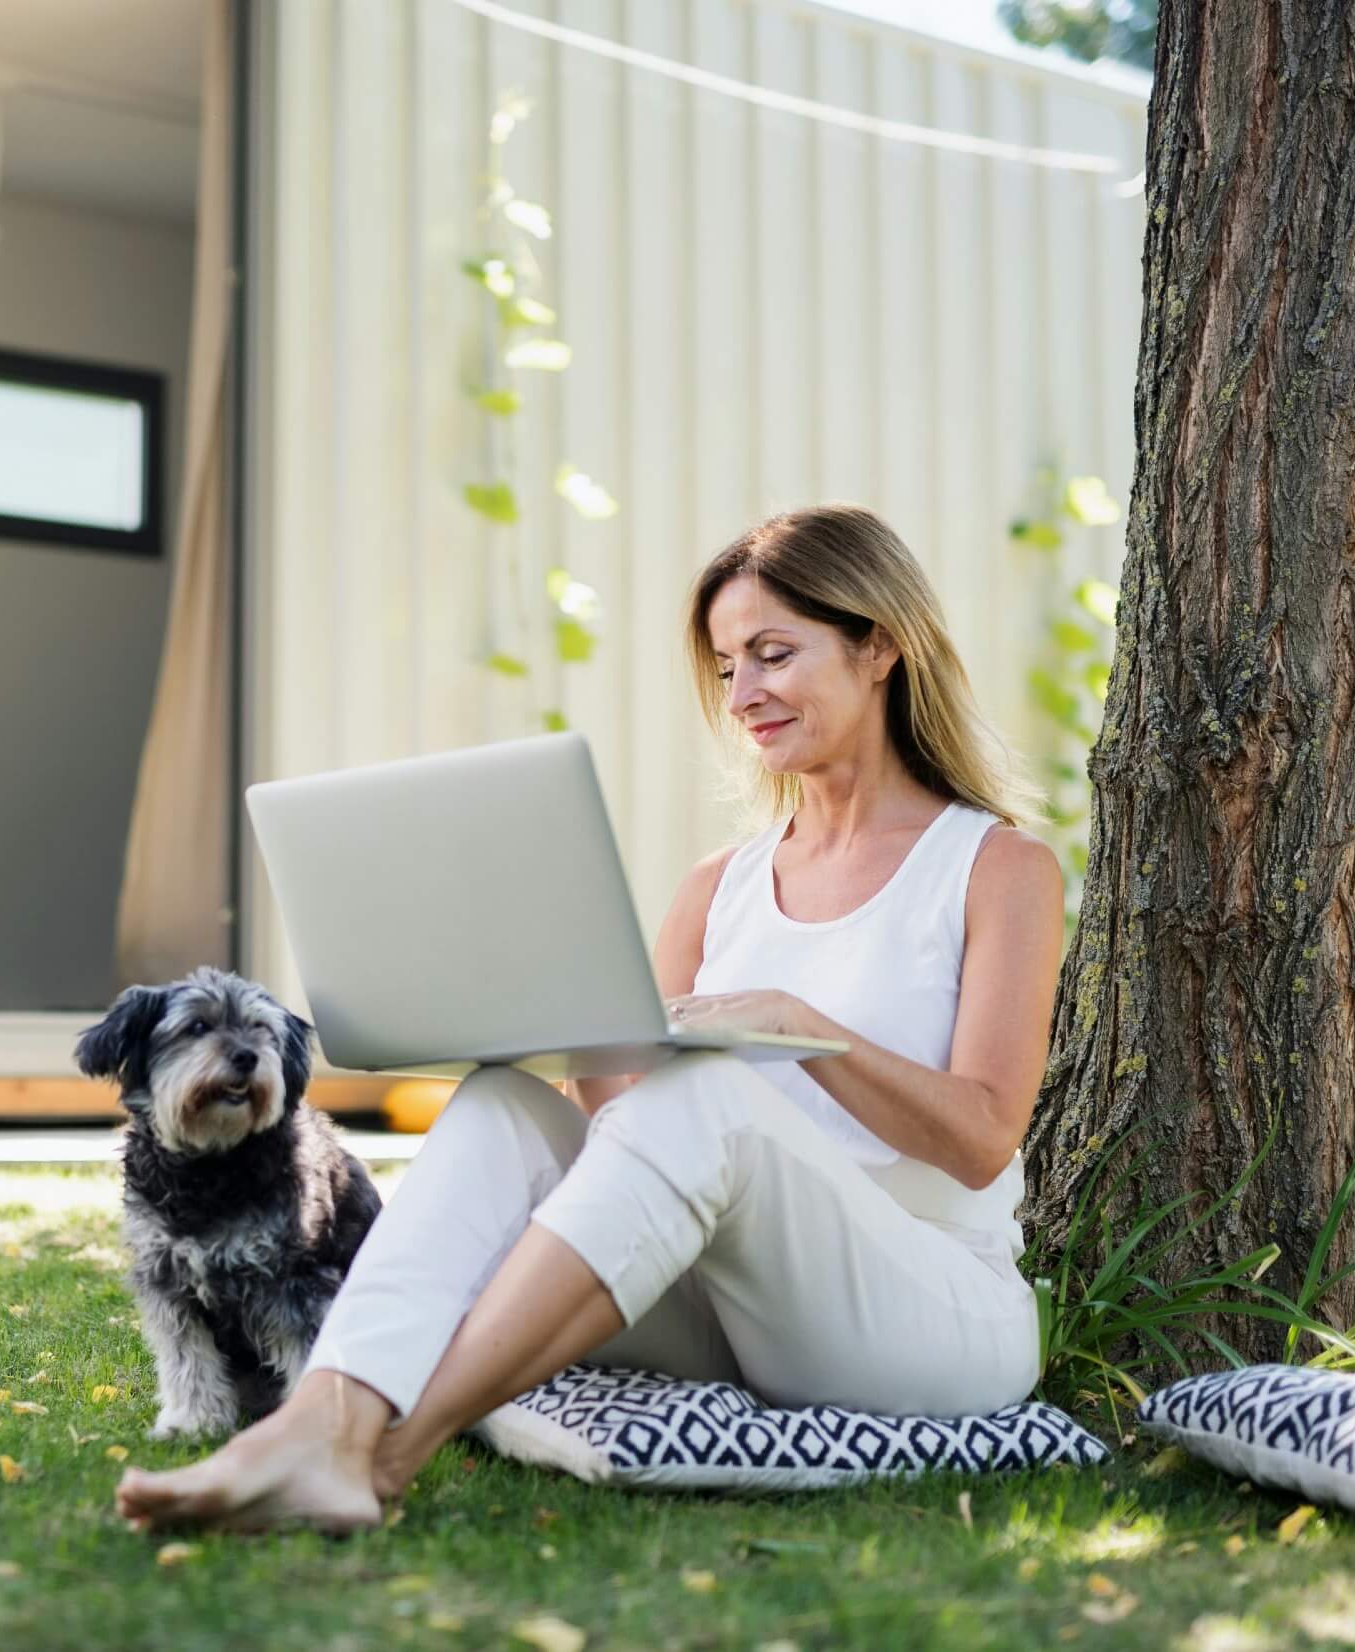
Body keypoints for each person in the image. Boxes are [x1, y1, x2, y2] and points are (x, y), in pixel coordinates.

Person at [114, 503, 1065, 1534]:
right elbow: (628, 1126)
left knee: (713, 1092)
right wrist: (556, 1021)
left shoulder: (995, 867)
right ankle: (326, 1411)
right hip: (728, 1307)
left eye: (772, 654)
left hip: (927, 1312)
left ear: (878, 644)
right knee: (500, 1106)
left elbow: (979, 1139)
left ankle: (383, 1450)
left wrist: (793, 1024)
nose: (742, 693)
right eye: (725, 664)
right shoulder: (721, 884)